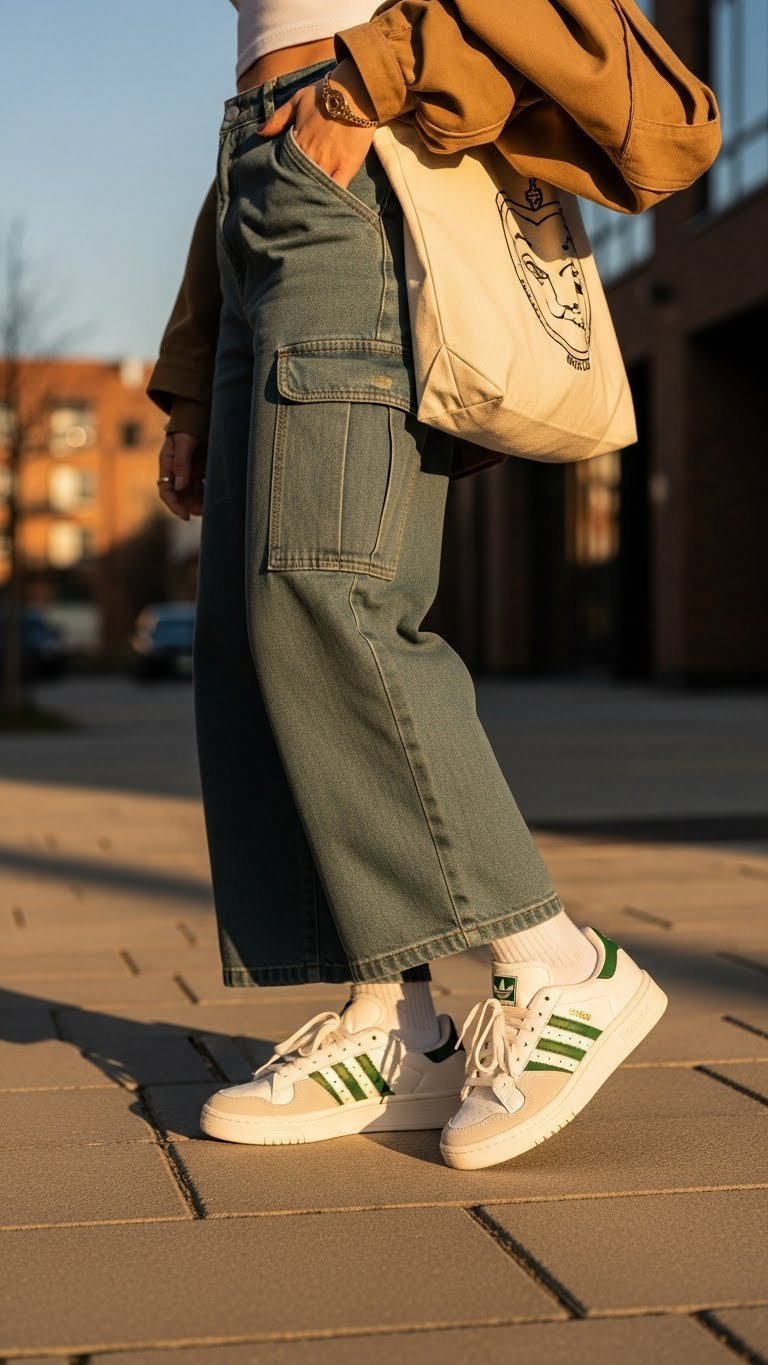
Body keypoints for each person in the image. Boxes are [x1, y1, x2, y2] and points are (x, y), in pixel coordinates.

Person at [148, 1, 718, 1169]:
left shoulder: (356, 100)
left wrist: (362, 86)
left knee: (331, 596)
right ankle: (390, 1024)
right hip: (268, 168)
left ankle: (560, 964)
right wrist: (197, 369)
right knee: (255, 632)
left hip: (359, 159)